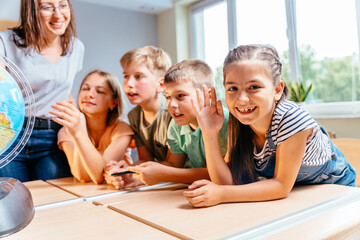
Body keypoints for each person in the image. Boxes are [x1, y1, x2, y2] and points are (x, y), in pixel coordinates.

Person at [184, 44, 356, 207]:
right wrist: (209, 133)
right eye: (233, 88)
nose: (241, 99)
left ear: (277, 90)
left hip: (337, 190)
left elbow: (280, 186)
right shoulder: (239, 122)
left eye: (254, 87)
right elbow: (226, 182)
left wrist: (221, 195)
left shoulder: (290, 117)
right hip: (299, 193)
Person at [0, 0, 84, 181]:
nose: (58, 14)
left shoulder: (76, 48)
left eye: (63, 5)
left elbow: (64, 92)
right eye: (47, 7)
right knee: (15, 202)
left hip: (52, 136)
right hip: (12, 134)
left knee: (57, 197)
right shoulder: (7, 42)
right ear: (31, 11)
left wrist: (80, 130)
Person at [127, 59, 229, 185]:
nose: (172, 105)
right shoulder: (175, 126)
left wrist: (163, 174)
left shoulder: (228, 124)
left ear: (206, 94)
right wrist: (134, 171)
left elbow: (226, 174)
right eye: (168, 97)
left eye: (180, 96)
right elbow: (174, 165)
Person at [103, 46, 172, 189]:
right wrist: (126, 169)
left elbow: (173, 164)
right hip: (161, 183)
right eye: (126, 76)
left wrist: (135, 172)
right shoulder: (134, 116)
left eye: (138, 76)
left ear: (160, 84)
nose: (129, 84)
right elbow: (145, 160)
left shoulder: (173, 112)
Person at [50, 70, 133, 184]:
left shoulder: (122, 130)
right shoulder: (66, 132)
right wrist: (77, 133)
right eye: (85, 88)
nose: (89, 94)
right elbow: (82, 177)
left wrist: (79, 133)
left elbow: (99, 176)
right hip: (85, 192)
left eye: (99, 91)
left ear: (113, 103)